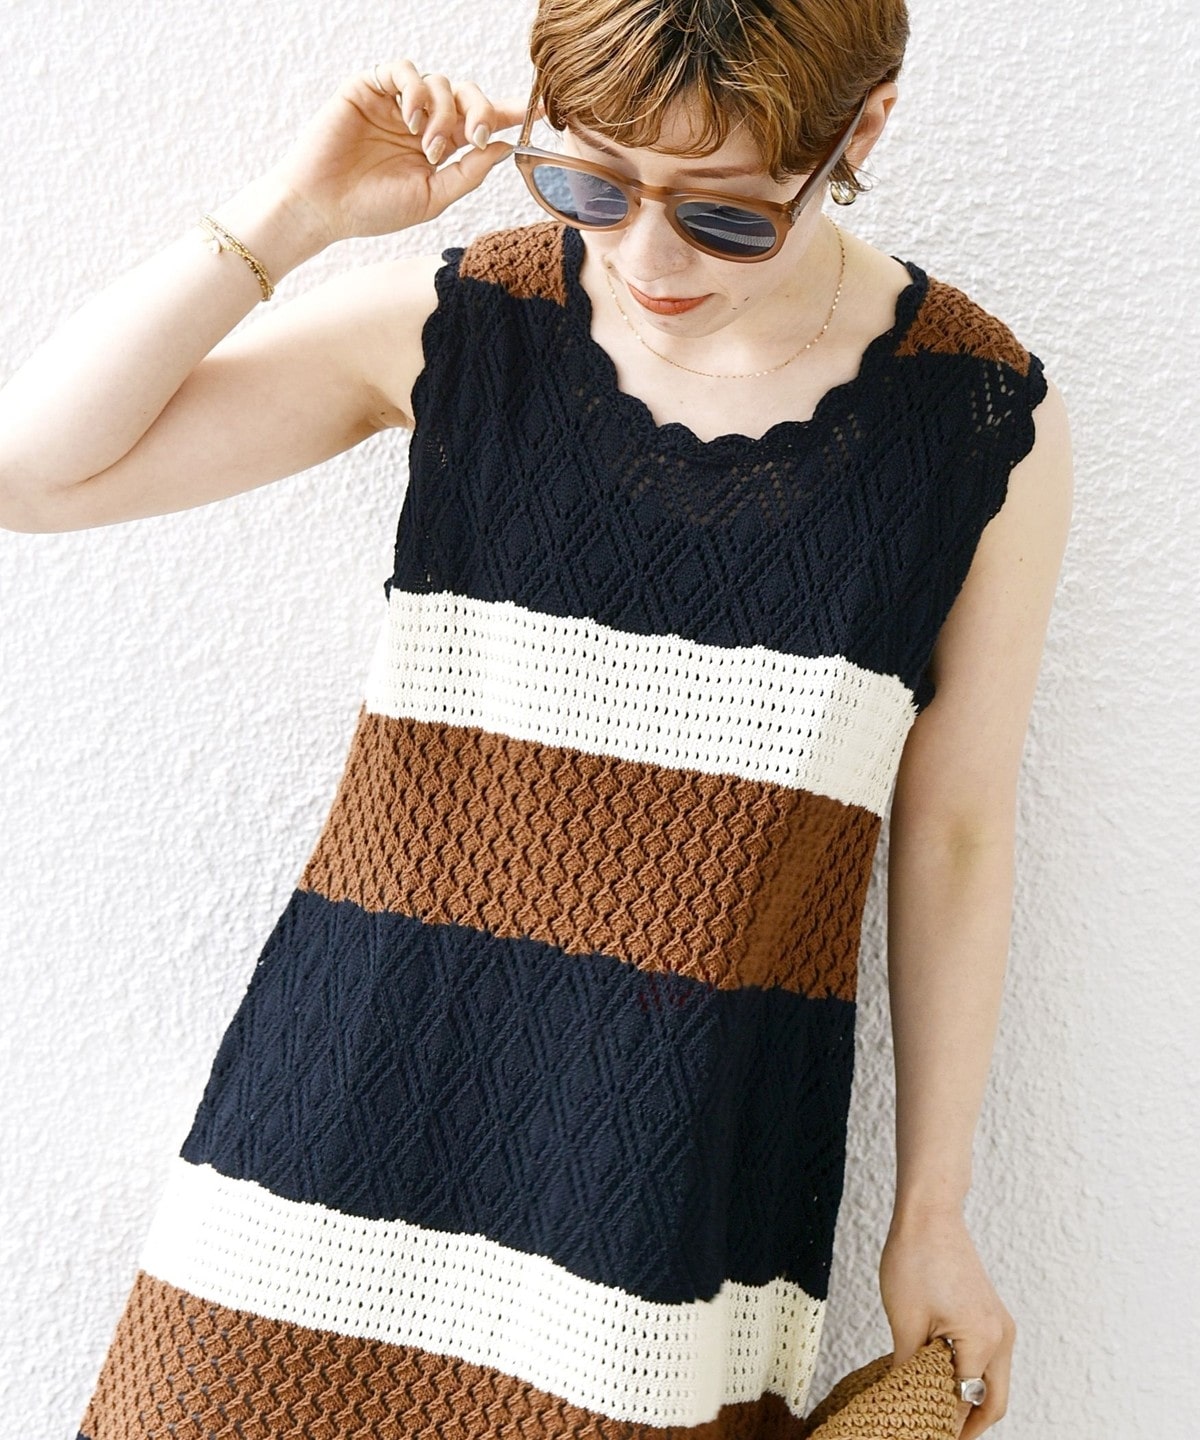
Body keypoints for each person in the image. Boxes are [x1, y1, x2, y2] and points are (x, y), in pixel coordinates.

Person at [0, 2, 1072, 1437]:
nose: (647, 261)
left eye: (727, 217)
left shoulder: (974, 416)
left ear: (860, 130)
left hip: (671, 1171)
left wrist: (932, 1208)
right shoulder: (473, 325)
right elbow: (33, 475)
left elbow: (955, 830)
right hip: (342, 1117)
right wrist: (294, 215)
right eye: (589, 185)